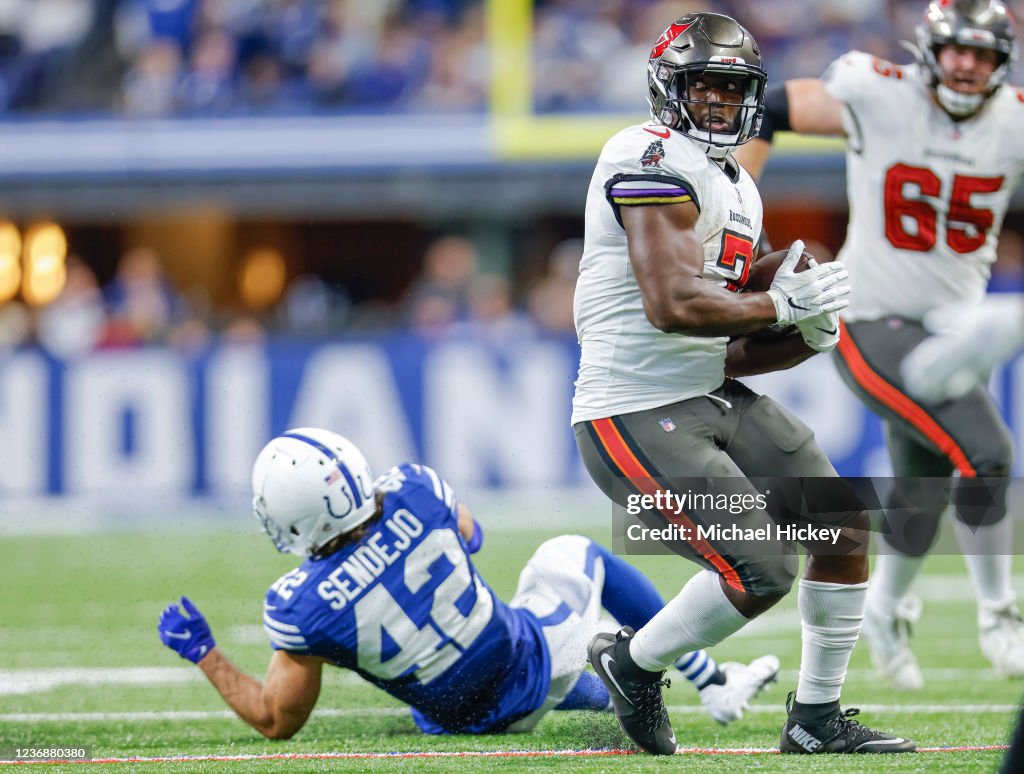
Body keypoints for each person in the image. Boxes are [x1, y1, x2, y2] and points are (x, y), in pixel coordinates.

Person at [572, 11, 913, 756]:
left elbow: (737, 351)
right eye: (704, 86)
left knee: (842, 528)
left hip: (707, 391)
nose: (720, 102)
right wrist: (777, 303)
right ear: (670, 89)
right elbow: (675, 305)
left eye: (732, 89)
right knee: (760, 568)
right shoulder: (646, 154)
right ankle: (630, 663)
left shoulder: (737, 184)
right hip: (632, 407)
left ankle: (814, 719)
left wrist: (808, 325)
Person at [735, 0, 1024, 692]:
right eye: (956, 49)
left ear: (999, 64)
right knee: (985, 453)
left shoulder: (1013, 118)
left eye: (981, 54)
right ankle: (1000, 615)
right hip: (870, 318)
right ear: (930, 48)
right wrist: (739, 210)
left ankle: (889, 610)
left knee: (921, 490)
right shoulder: (878, 92)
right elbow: (770, 107)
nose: (965, 64)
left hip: (951, 324)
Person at [157, 427, 779, 739]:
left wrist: (205, 654)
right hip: (527, 660)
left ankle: (670, 684)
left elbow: (276, 720)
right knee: (574, 552)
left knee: (539, 665)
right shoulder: (414, 491)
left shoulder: (301, 606)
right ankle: (714, 681)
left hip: (454, 717)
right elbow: (471, 535)